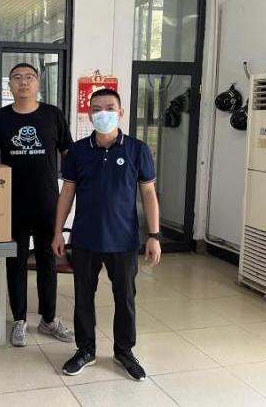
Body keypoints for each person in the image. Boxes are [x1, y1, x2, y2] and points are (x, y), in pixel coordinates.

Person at [52, 88, 161, 381]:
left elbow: (148, 193)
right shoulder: (78, 151)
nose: (104, 113)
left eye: (110, 108)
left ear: (120, 112)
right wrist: (57, 232)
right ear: (89, 115)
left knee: (125, 298)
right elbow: (67, 193)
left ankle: (124, 351)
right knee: (83, 298)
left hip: (123, 241)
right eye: (97, 109)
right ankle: (85, 350)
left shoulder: (137, 149)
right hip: (85, 238)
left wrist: (154, 235)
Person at [0, 63, 74, 347]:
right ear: (9, 85)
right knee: (16, 262)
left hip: (48, 203)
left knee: (48, 261)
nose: (23, 82)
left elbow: (69, 153)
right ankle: (19, 320)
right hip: (12, 204)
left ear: (38, 83)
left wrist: (79, 186)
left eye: (29, 77)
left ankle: (49, 318)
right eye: (17, 78)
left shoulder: (53, 115)